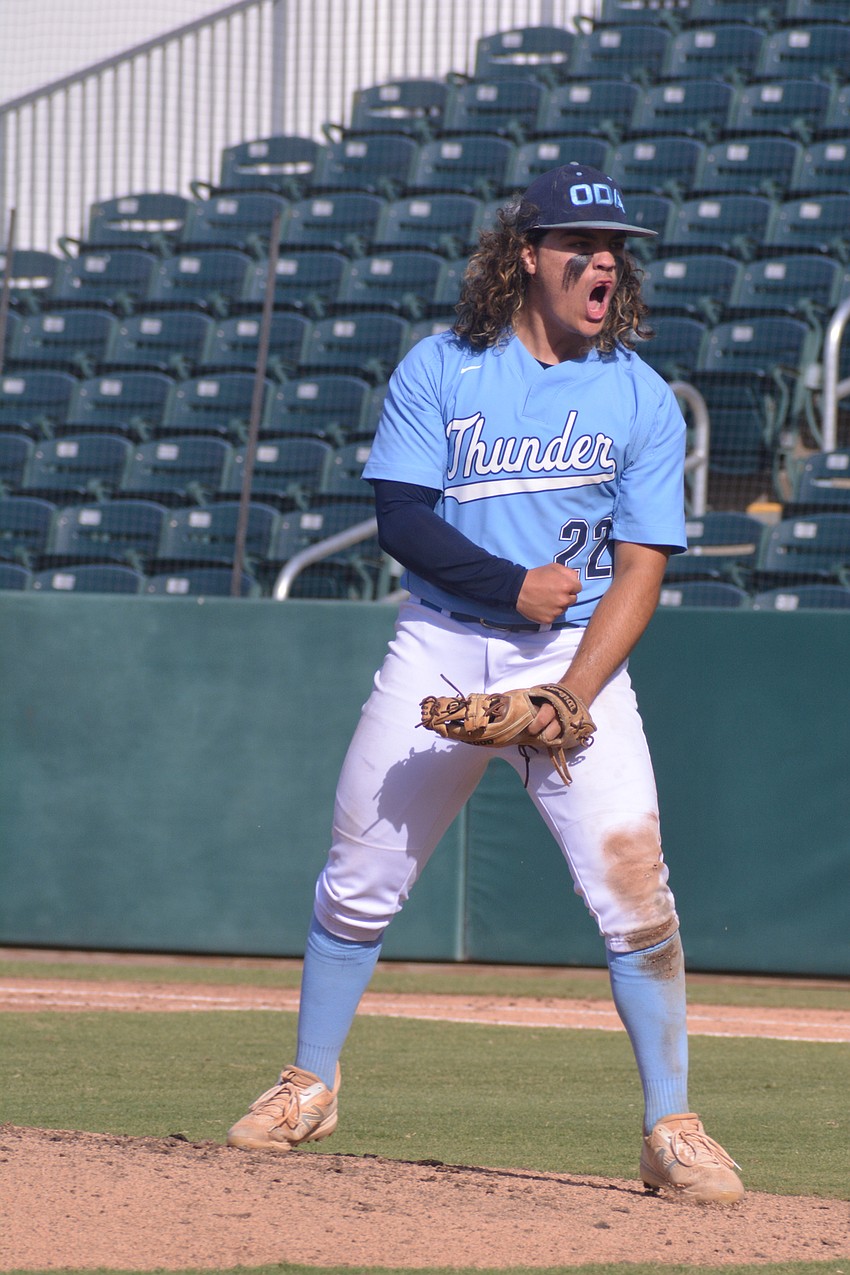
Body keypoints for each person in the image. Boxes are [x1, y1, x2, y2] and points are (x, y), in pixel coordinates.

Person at [227, 161, 745, 1204]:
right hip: (440, 641)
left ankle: (669, 1127)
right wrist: (513, 588)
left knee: (634, 892)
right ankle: (308, 1082)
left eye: (614, 249)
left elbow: (640, 569)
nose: (602, 261)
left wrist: (572, 696)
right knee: (359, 876)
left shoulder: (640, 397)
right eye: (578, 244)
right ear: (526, 256)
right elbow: (405, 521)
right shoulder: (443, 368)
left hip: (572, 663)